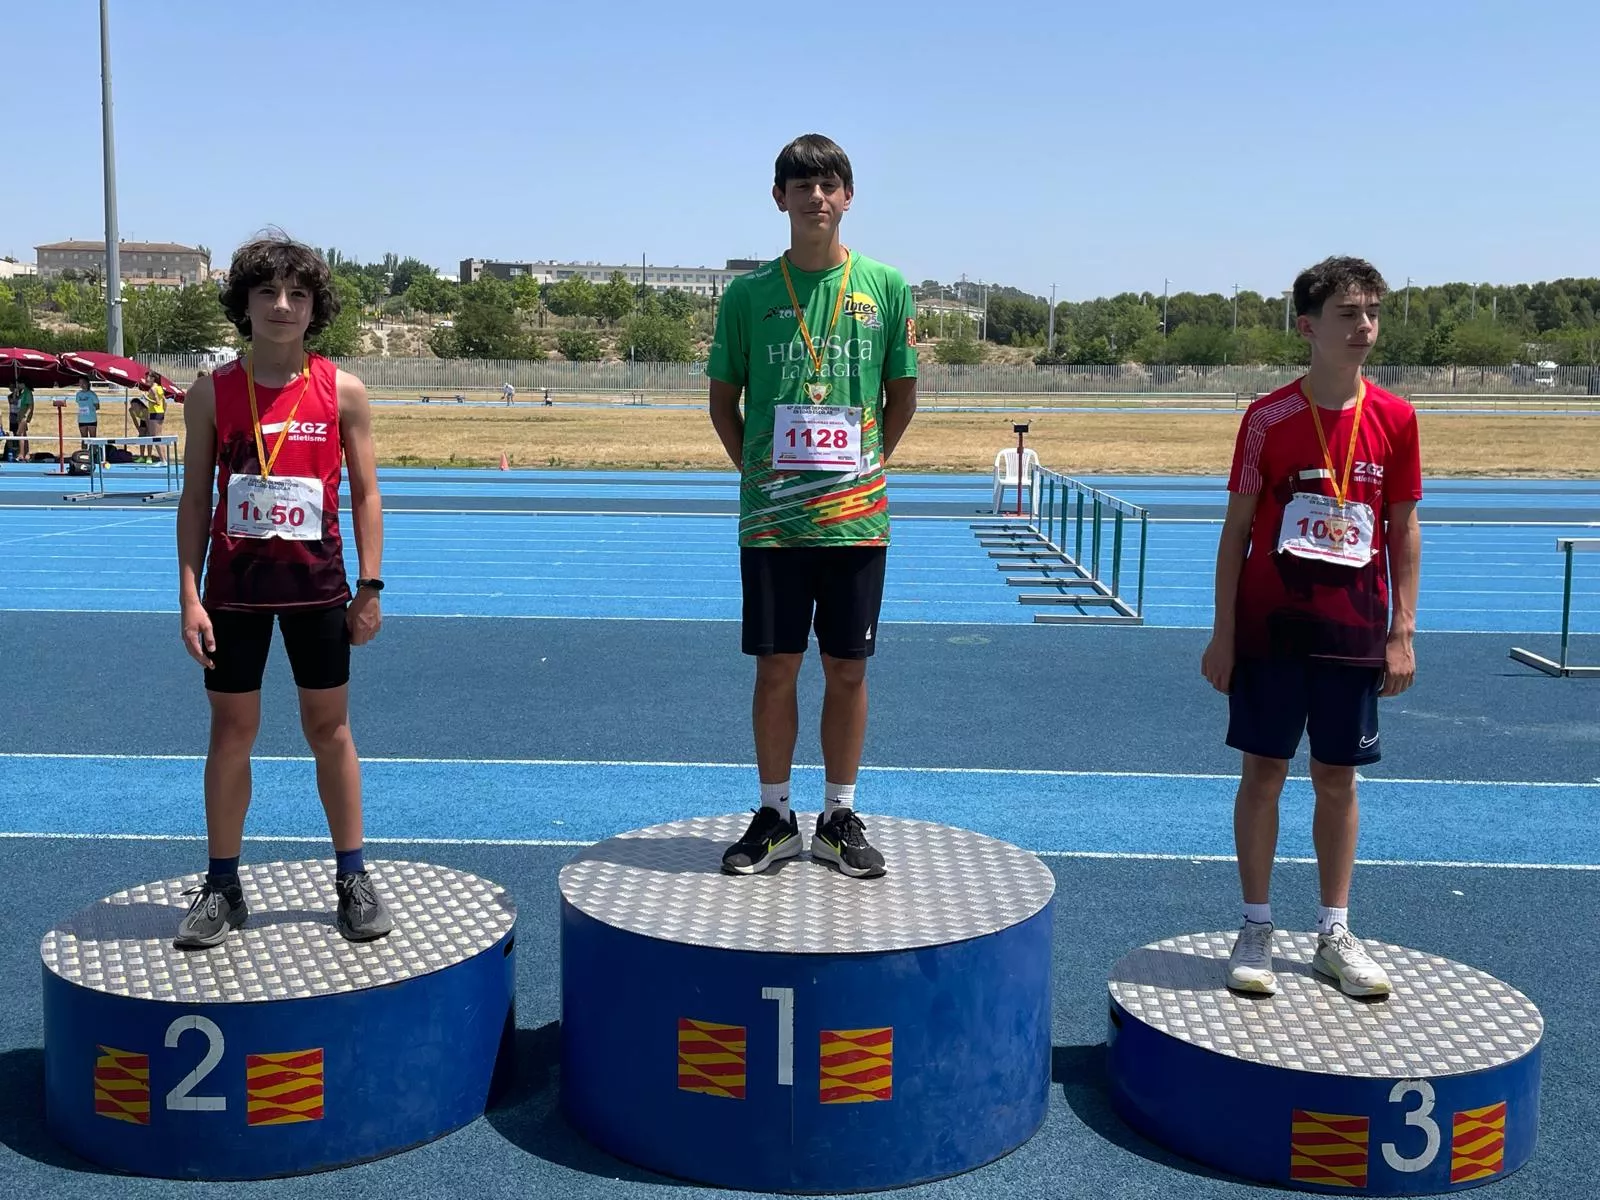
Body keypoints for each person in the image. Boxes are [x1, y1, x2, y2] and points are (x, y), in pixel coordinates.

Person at [1201, 256, 1421, 998]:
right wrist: (1223, 634)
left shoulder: (1396, 419)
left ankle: (1333, 929)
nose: (1363, 327)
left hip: (1355, 633)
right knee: (1263, 773)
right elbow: (1235, 532)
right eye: (1347, 314)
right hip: (1271, 631)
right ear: (1307, 327)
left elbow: (1403, 530)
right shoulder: (1268, 419)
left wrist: (1403, 631)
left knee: (1338, 778)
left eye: (1370, 313)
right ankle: (1256, 925)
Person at [707, 133, 918, 879]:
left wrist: (863, 469)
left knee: (848, 669)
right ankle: (774, 814)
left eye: (830, 184)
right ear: (780, 199)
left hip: (856, 519)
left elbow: (903, 397)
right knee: (775, 668)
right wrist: (761, 475)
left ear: (849, 196)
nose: (817, 197)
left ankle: (838, 814)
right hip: (774, 522)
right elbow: (722, 402)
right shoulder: (749, 294)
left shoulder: (887, 287)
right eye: (802, 186)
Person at [174, 233, 393, 949]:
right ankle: (222, 884)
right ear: (243, 303)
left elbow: (366, 494)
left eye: (296, 294)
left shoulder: (343, 391)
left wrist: (369, 585)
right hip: (233, 592)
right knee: (232, 732)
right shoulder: (212, 393)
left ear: (314, 308)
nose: (281, 305)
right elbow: (194, 499)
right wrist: (188, 594)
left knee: (329, 731)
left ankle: (353, 877)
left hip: (318, 589)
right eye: (266, 292)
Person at [75, 380, 100, 458]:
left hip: (91, 419)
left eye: (83, 383)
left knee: (93, 438)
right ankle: (84, 455)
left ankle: (94, 455)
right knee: (84, 438)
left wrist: (90, 410)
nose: (82, 385)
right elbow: (78, 404)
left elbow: (97, 406)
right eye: (80, 383)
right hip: (82, 419)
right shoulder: (78, 394)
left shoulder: (92, 394)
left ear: (88, 384)